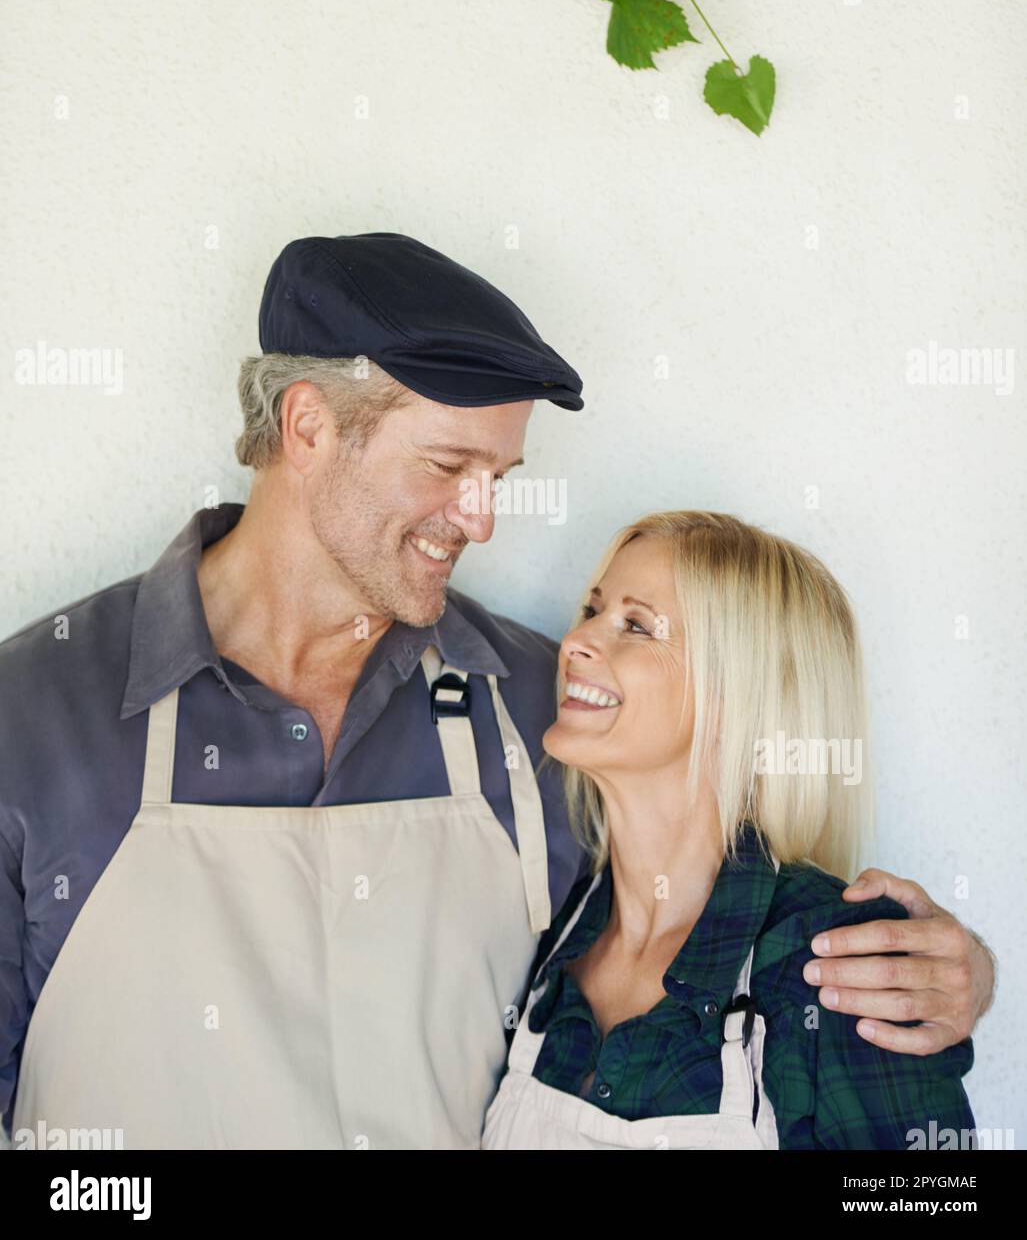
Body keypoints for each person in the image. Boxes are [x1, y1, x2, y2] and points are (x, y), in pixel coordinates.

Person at [0, 235, 995, 1150]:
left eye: (499, 476)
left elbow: (716, 889)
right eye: (447, 466)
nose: (479, 520)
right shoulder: (34, 713)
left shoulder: (540, 711)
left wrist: (945, 978)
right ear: (307, 427)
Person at [482, 513, 979, 1149]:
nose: (575, 640)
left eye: (636, 625)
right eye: (592, 609)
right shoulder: (559, 926)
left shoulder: (834, 960)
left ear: (735, 696)